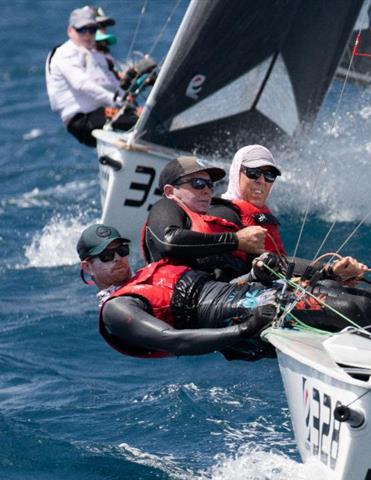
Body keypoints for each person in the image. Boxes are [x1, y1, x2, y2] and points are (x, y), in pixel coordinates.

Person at [79, 224, 371, 359]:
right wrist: (245, 328)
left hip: (250, 294)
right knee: (355, 311)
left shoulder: (148, 273)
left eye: (121, 249)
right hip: (241, 315)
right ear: (87, 269)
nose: (118, 259)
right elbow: (171, 340)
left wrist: (250, 274)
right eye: (106, 256)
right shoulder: (116, 309)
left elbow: (217, 288)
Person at [142, 156, 272, 279]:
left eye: (210, 185)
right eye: (197, 183)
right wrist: (235, 240)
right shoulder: (165, 205)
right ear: (170, 191)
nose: (207, 191)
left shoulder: (211, 225)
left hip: (217, 292)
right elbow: (169, 240)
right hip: (176, 292)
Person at [45, 6, 136, 147]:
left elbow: (111, 82)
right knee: (141, 122)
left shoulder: (90, 53)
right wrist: (116, 100)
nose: (87, 34)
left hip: (98, 113)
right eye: (82, 30)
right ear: (70, 30)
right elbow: (82, 84)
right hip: (82, 121)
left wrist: (126, 100)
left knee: (145, 118)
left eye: (92, 30)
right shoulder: (64, 53)